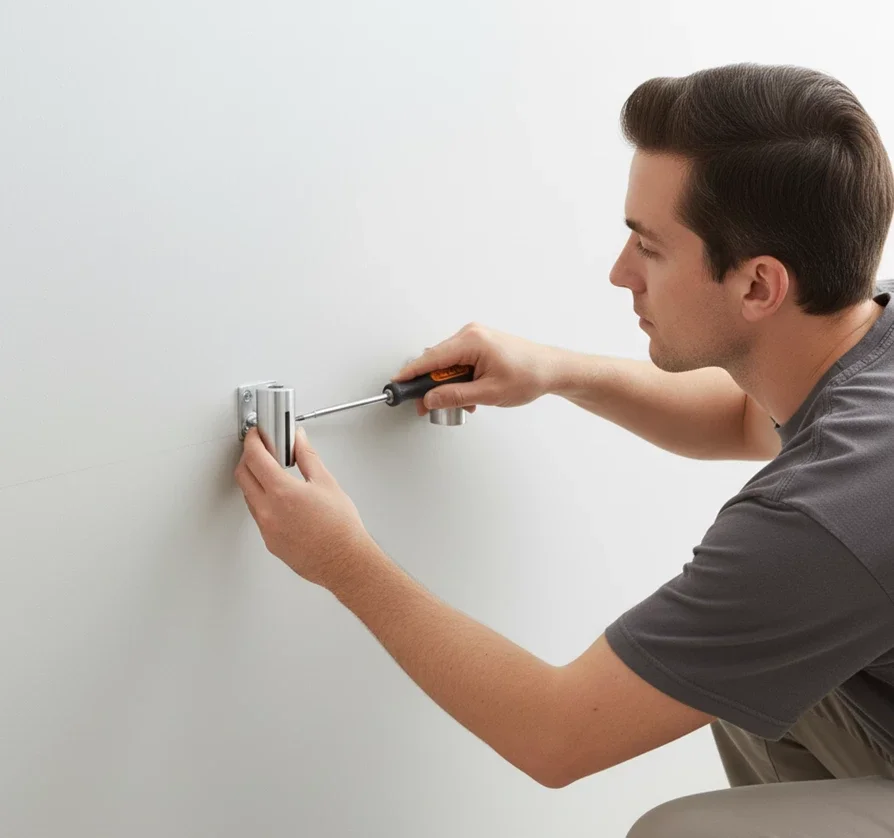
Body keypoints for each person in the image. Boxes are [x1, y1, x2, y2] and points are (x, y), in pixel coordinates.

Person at [235, 63, 894, 836]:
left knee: (680, 828)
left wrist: (343, 562)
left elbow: (556, 734)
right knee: (718, 665)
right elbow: (751, 421)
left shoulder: (825, 514)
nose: (620, 275)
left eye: (648, 248)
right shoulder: (854, 348)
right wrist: (557, 372)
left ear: (758, 287)